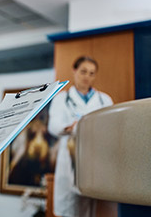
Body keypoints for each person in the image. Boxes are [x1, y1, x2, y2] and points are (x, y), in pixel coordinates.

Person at [48, 56, 113, 217]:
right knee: (69, 204)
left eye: (92, 73)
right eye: (83, 71)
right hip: (69, 153)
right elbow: (53, 126)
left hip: (95, 156)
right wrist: (68, 127)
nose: (87, 77)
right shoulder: (61, 98)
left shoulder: (104, 100)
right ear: (74, 71)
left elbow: (111, 127)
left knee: (89, 203)